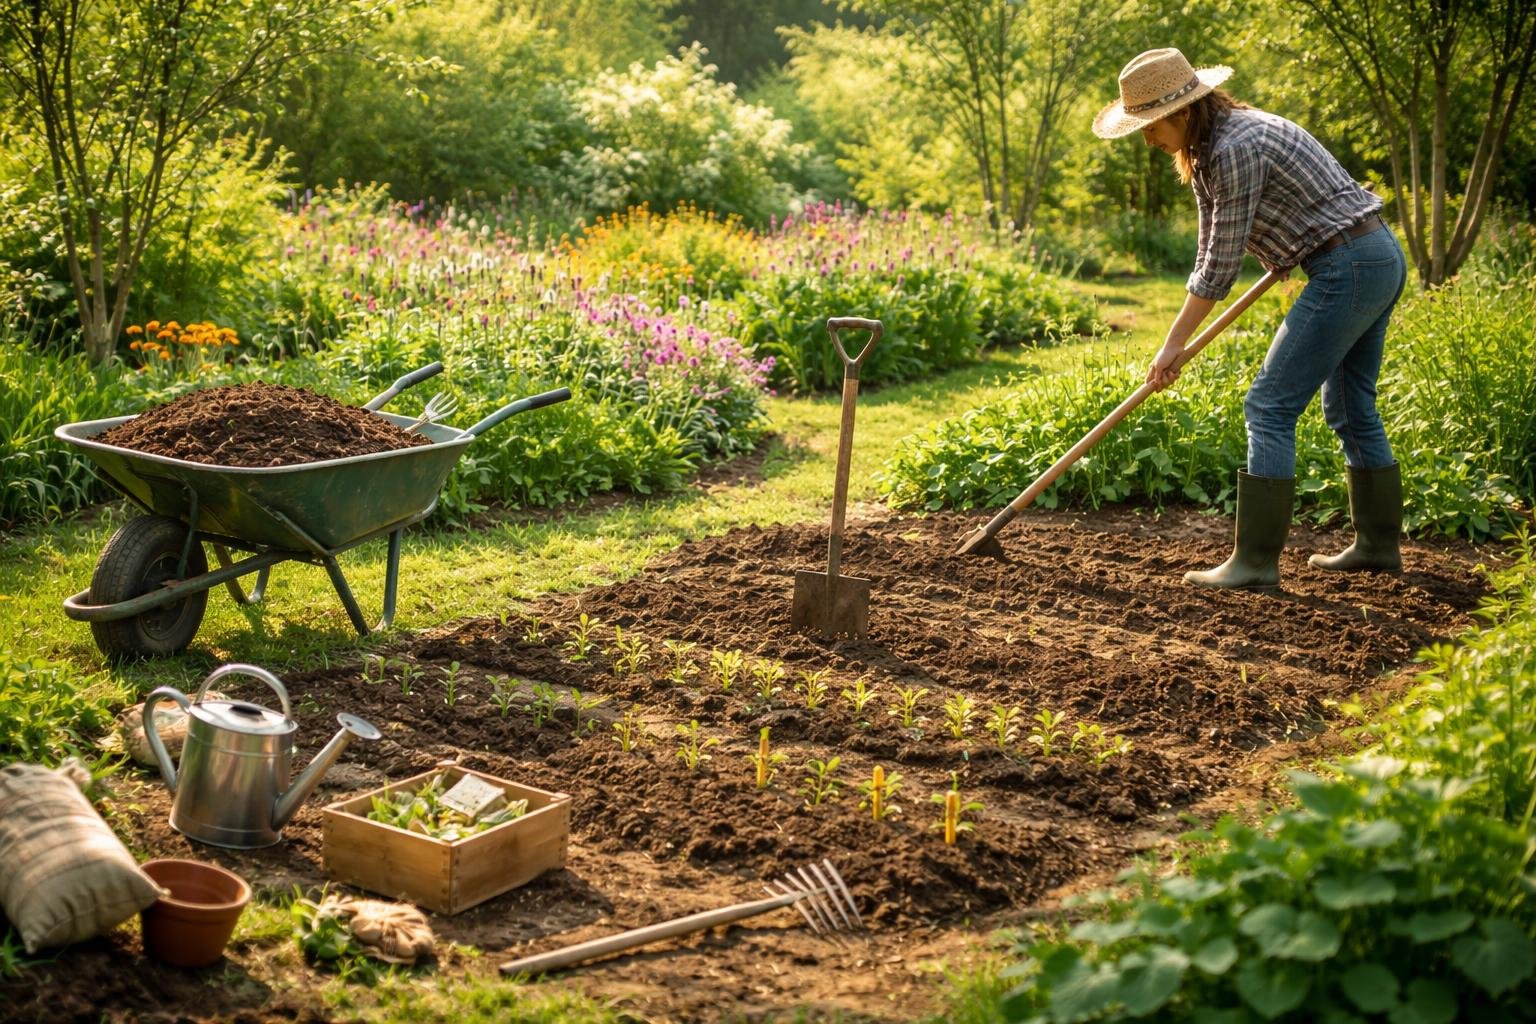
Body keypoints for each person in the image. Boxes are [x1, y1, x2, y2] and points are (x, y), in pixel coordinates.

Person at [1092, 48, 1408, 589]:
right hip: (1373, 256)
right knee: (1351, 407)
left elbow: (1218, 267)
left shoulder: (1235, 147)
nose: (1147, 139)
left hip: (1349, 265)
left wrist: (1171, 345)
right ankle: (1377, 547)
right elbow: (1213, 243)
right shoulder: (1219, 143)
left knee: (1269, 406)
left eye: (1150, 125)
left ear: (1184, 110)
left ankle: (1255, 563)